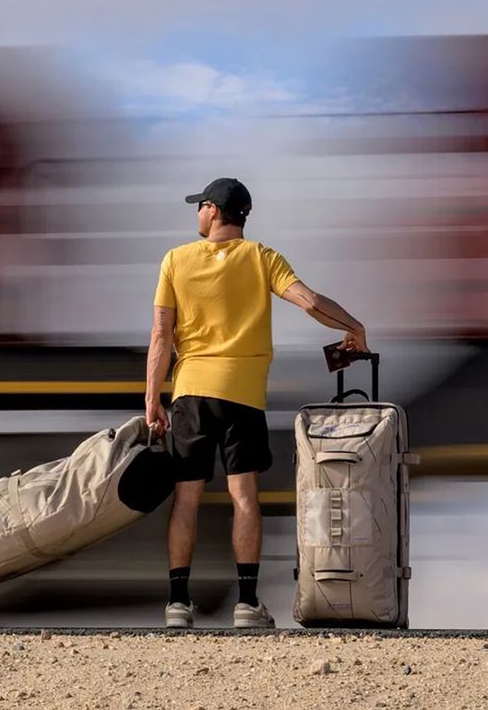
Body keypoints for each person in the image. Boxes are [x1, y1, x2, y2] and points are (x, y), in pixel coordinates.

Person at [145, 177, 369, 629]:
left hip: (190, 392)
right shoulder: (263, 257)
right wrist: (354, 326)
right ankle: (247, 604)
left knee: (186, 497)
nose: (197, 215)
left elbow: (161, 337)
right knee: (243, 496)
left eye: (200, 207)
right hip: (242, 394)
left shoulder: (175, 260)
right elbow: (309, 302)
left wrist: (153, 397)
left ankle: (178, 605)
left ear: (212, 210)